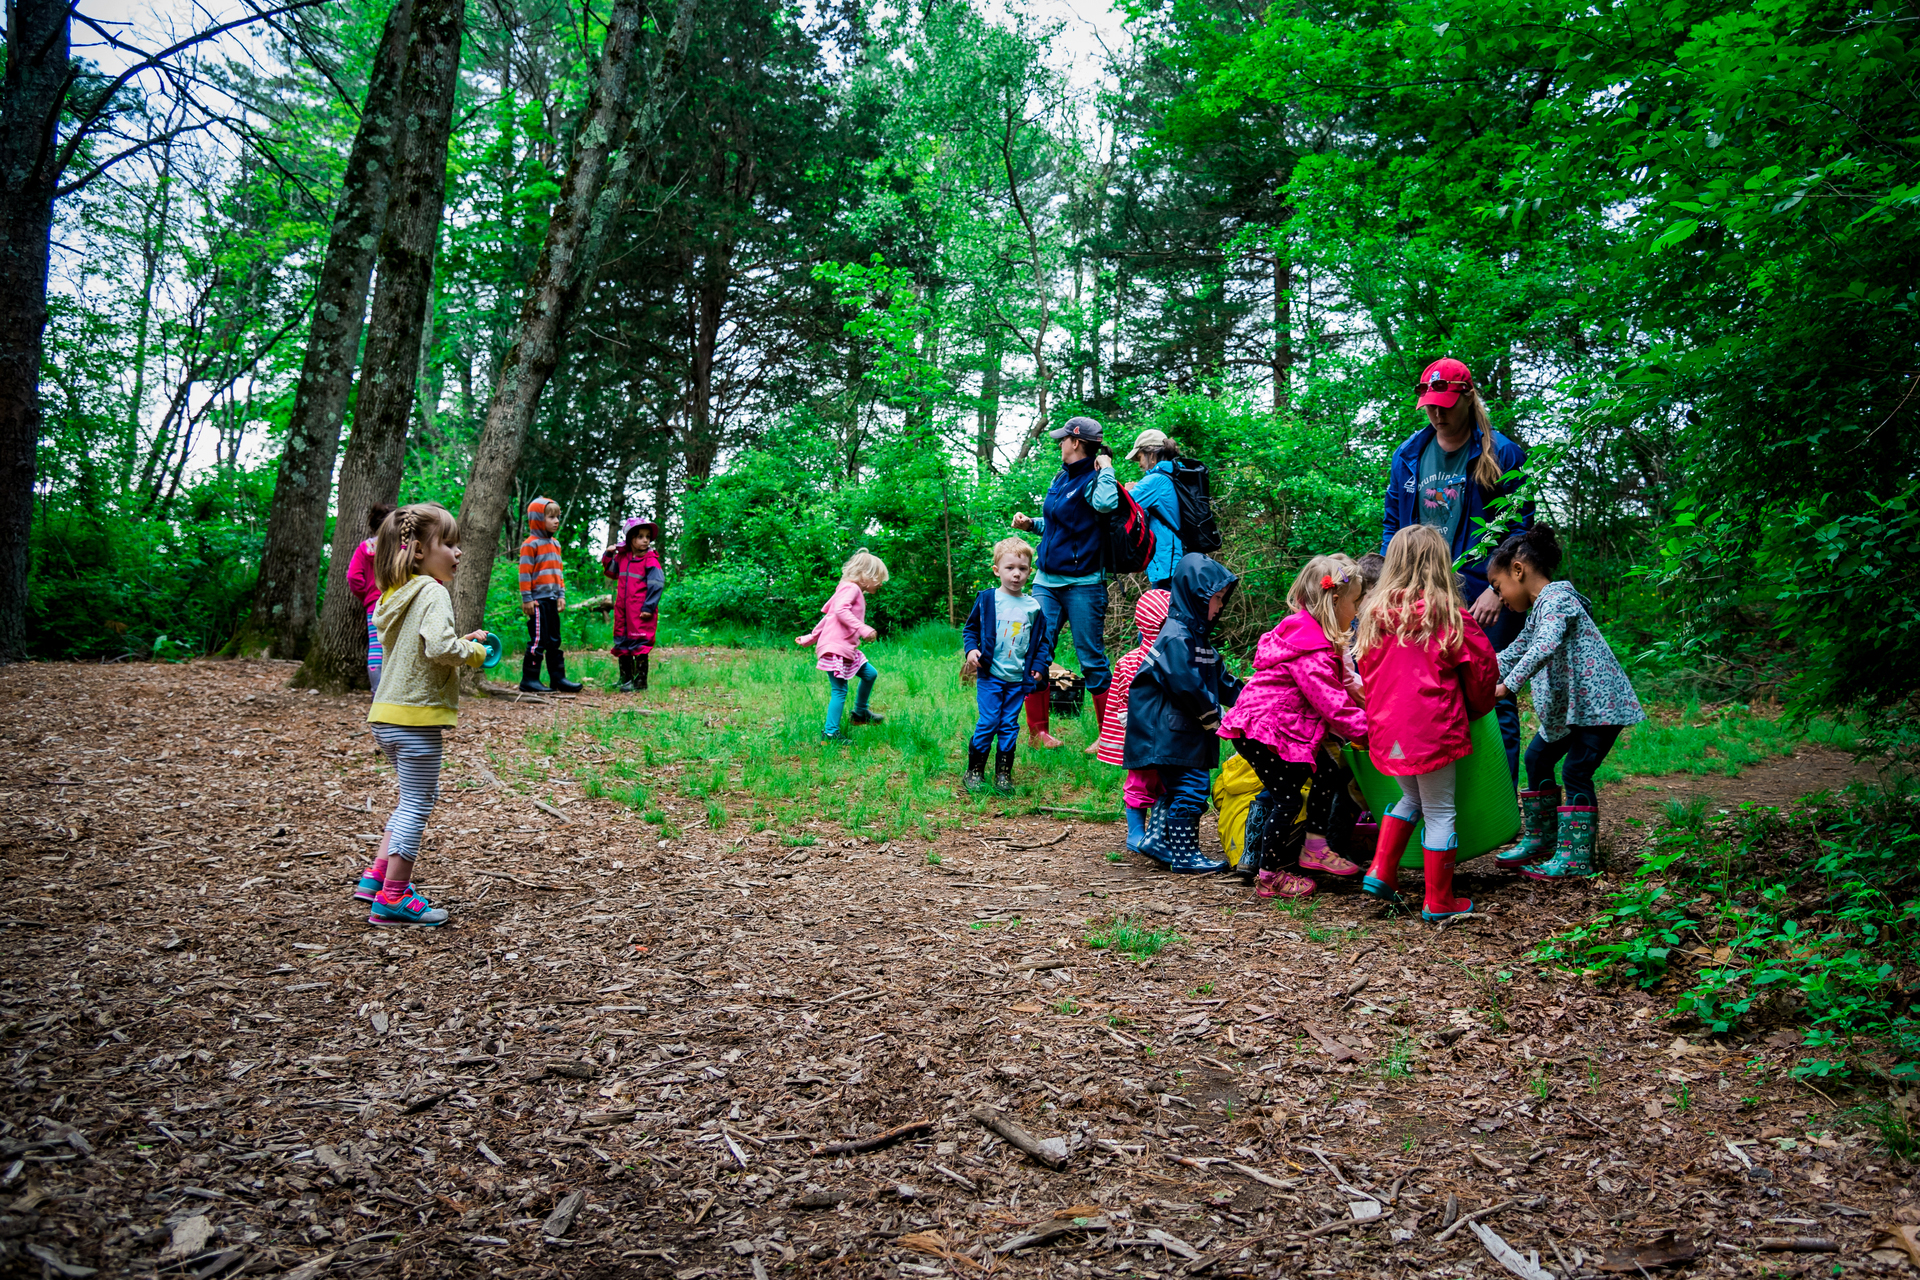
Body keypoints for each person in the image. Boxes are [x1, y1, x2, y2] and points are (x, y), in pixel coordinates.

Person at [1382, 358, 1529, 777]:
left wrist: (1498, 591)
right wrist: (1391, 587)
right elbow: (1393, 528)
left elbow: (1519, 531)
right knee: (1429, 694)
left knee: (1492, 693)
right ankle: (1448, 798)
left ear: (1468, 396)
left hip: (1482, 593)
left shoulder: (1502, 452)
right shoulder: (1410, 454)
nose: (1437, 412)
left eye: (1446, 404)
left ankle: (1501, 799)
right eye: (1430, 404)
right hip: (1420, 593)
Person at [1355, 525, 1500, 921]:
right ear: (1439, 562)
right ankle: (1439, 902)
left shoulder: (1373, 614)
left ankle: (1381, 870)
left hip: (1388, 730)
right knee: (1439, 810)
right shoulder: (1448, 615)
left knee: (1411, 798)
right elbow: (1483, 668)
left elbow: (1366, 673)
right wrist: (1478, 706)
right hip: (1433, 728)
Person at [1487, 524, 1645, 879]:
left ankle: (1576, 857)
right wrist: (1479, 669)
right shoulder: (1539, 609)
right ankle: (1542, 840)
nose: (1499, 596)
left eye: (1498, 587)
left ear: (1518, 570)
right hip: (1573, 712)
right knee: (1537, 757)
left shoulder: (1557, 600)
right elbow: (1518, 650)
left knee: (1575, 771)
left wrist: (1508, 686)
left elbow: (1545, 646)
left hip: (1597, 709)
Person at [362, 503, 489, 927]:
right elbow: (439, 649)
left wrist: (458, 638)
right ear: (418, 550)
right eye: (449, 544)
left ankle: (375, 877)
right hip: (416, 719)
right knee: (418, 803)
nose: (458, 553)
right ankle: (393, 897)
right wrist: (473, 651)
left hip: (386, 715)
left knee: (409, 799)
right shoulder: (433, 591)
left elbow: (420, 646)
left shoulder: (396, 594)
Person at [1218, 555, 1370, 899]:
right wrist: (1373, 734)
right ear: (1334, 600)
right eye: (1356, 601)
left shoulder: (1310, 636)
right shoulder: (1311, 651)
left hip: (1273, 728)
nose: (1358, 609)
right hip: (1263, 731)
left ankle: (1314, 846)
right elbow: (1333, 705)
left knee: (1327, 772)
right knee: (1287, 799)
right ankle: (1269, 876)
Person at [1123, 553, 1244, 873]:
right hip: (1170, 734)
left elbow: (1224, 681)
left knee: (1176, 788)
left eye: (1222, 599)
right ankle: (1185, 853)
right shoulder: (1175, 636)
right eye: (1216, 598)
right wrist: (1212, 714)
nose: (1220, 606)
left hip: (1181, 735)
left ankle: (1157, 840)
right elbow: (1185, 683)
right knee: (1192, 790)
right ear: (1196, 596)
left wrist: (1253, 698)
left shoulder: (1198, 640)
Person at [1011, 416, 1117, 749]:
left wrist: (1108, 467)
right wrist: (1032, 524)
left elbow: (1105, 505)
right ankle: (1038, 733)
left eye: (1062, 439)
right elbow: (1061, 524)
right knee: (1036, 651)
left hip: (1085, 583)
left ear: (1076, 442)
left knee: (1091, 658)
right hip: (1047, 581)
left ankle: (1109, 738)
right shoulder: (1061, 477)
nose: (1059, 444)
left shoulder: (1097, 479)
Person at [961, 538, 1054, 795]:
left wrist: (1038, 665)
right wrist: (971, 650)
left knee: (1009, 724)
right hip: (991, 674)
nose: (1016, 574)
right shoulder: (987, 600)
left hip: (1018, 678)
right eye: (1010, 568)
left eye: (1022, 569)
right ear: (996, 570)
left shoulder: (1033, 607)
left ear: (1029, 571)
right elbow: (970, 629)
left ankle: (1003, 773)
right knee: (989, 721)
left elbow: (1042, 641)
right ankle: (975, 770)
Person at [1095, 588, 1172, 852]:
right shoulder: (1133, 661)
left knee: (1167, 783)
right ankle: (1136, 832)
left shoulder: (1175, 657)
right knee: (1140, 781)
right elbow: (1122, 703)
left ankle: (1158, 831)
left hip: (1170, 735)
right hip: (1141, 736)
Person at [796, 549, 889, 741]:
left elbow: (830, 616)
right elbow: (839, 611)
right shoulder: (851, 588)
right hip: (836, 648)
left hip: (845, 647)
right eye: (878, 578)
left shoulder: (849, 589)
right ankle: (830, 733)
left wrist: (811, 637)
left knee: (870, 673)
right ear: (865, 575)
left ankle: (860, 713)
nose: (881, 583)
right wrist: (862, 628)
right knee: (839, 690)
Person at [518, 496, 581, 694]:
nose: (556, 521)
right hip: (537, 601)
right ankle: (529, 679)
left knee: (554, 639)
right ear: (537, 518)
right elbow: (524, 573)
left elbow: (558, 573)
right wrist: (527, 598)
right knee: (538, 639)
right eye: (550, 517)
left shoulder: (556, 544)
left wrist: (561, 595)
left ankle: (558, 678)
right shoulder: (530, 545)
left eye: (557, 517)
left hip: (553, 599)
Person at [601, 518, 664, 693]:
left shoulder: (650, 561)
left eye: (647, 537)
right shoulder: (623, 557)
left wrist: (648, 607)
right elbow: (611, 572)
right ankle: (625, 678)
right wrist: (608, 555)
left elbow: (657, 584)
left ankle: (640, 681)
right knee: (623, 640)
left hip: (640, 611)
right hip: (622, 610)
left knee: (640, 642)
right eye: (640, 536)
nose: (645, 540)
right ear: (630, 539)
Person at [346, 503, 395, 694]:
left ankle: (377, 690)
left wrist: (366, 595)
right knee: (398, 644)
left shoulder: (366, 548)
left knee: (376, 646)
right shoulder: (402, 548)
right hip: (400, 601)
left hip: (374, 604)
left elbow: (353, 577)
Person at [1126, 429, 1184, 590]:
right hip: (1185, 561)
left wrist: (1128, 489)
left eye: (1139, 458)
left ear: (1151, 455)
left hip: (1168, 566)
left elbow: (1121, 505)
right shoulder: (1178, 474)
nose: (1139, 464)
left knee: (1161, 613)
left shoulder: (1155, 480)